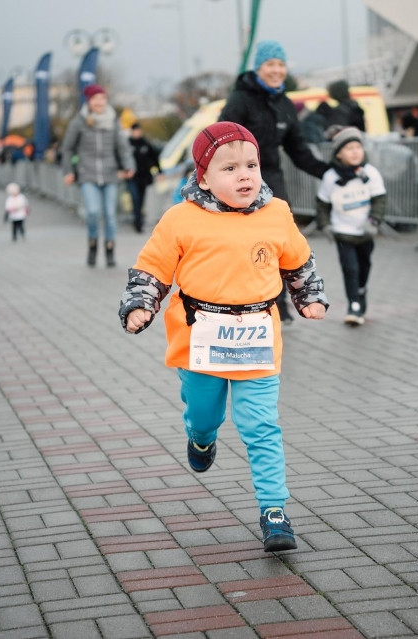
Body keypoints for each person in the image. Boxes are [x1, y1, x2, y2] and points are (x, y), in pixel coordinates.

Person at [118, 122, 328, 552]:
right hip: (201, 339)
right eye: (230, 168)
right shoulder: (180, 218)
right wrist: (140, 305)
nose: (245, 175)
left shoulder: (277, 213)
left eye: (251, 165)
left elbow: (299, 262)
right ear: (203, 178)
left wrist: (310, 297)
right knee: (203, 412)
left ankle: (274, 511)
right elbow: (153, 268)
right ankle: (201, 437)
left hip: (257, 337)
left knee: (261, 426)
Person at [220, 40, 330, 324]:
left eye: (281, 65)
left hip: (273, 182)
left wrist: (329, 171)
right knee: (240, 242)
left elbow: (298, 149)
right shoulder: (240, 100)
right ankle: (239, 300)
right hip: (239, 181)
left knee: (278, 241)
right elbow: (220, 140)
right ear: (258, 68)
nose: (276, 70)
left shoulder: (284, 104)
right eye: (270, 64)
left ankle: (278, 304)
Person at [315, 127, 386, 326]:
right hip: (343, 233)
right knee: (350, 269)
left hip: (365, 232)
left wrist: (374, 221)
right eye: (349, 148)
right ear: (338, 153)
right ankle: (353, 304)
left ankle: (361, 291)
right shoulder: (330, 177)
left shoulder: (370, 173)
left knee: (364, 266)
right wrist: (325, 225)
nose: (355, 152)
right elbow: (322, 203)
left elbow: (380, 199)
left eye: (358, 147)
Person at [61, 84, 136, 268]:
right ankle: (93, 244)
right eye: (96, 99)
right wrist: (69, 171)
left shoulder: (113, 121)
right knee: (93, 212)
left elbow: (123, 147)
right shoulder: (79, 121)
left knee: (110, 214)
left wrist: (128, 165)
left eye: (102, 98)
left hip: (110, 174)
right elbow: (68, 148)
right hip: (87, 173)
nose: (99, 102)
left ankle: (110, 249)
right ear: (89, 101)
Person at [127, 122, 161, 233]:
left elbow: (154, 157)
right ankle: (137, 221)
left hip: (144, 177)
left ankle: (139, 221)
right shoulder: (128, 144)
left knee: (141, 200)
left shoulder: (145, 143)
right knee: (135, 199)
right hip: (132, 177)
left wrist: (159, 171)